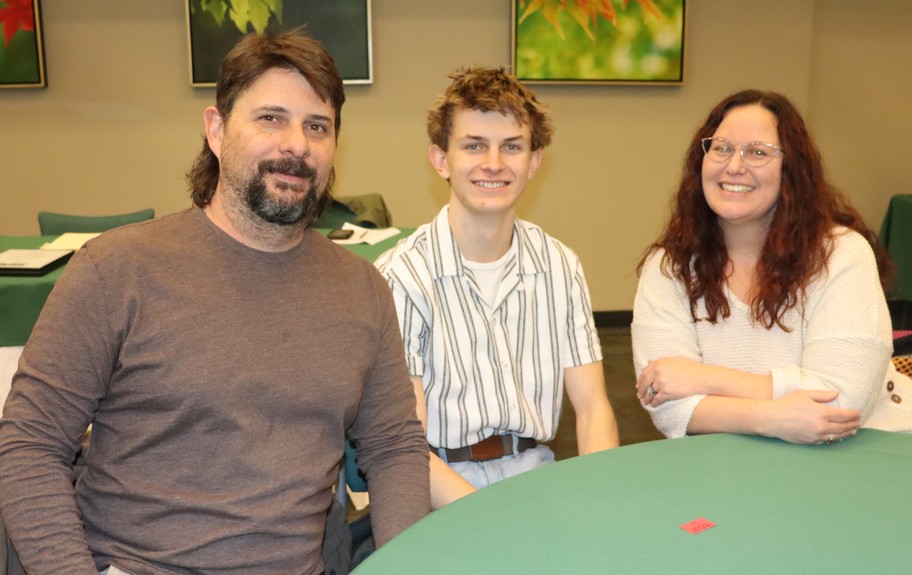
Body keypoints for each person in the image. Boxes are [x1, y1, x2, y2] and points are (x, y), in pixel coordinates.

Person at [0, 30, 428, 575]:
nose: (296, 144)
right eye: (271, 118)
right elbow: (30, 444)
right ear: (217, 130)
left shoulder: (363, 289)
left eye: (316, 126)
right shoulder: (117, 270)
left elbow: (393, 449)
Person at [632, 89, 912, 443]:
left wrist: (703, 379)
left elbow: (840, 404)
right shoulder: (668, 266)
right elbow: (665, 402)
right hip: (734, 455)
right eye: (721, 148)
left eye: (758, 152)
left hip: (872, 447)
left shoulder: (842, 254)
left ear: (790, 171)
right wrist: (771, 419)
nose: (734, 165)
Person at [375, 67, 619, 509]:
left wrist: (600, 497)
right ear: (440, 159)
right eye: (474, 146)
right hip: (439, 487)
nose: (494, 163)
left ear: (535, 160)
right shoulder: (403, 277)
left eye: (512, 147)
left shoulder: (560, 265)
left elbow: (593, 409)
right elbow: (406, 446)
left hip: (536, 473)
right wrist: (490, 518)